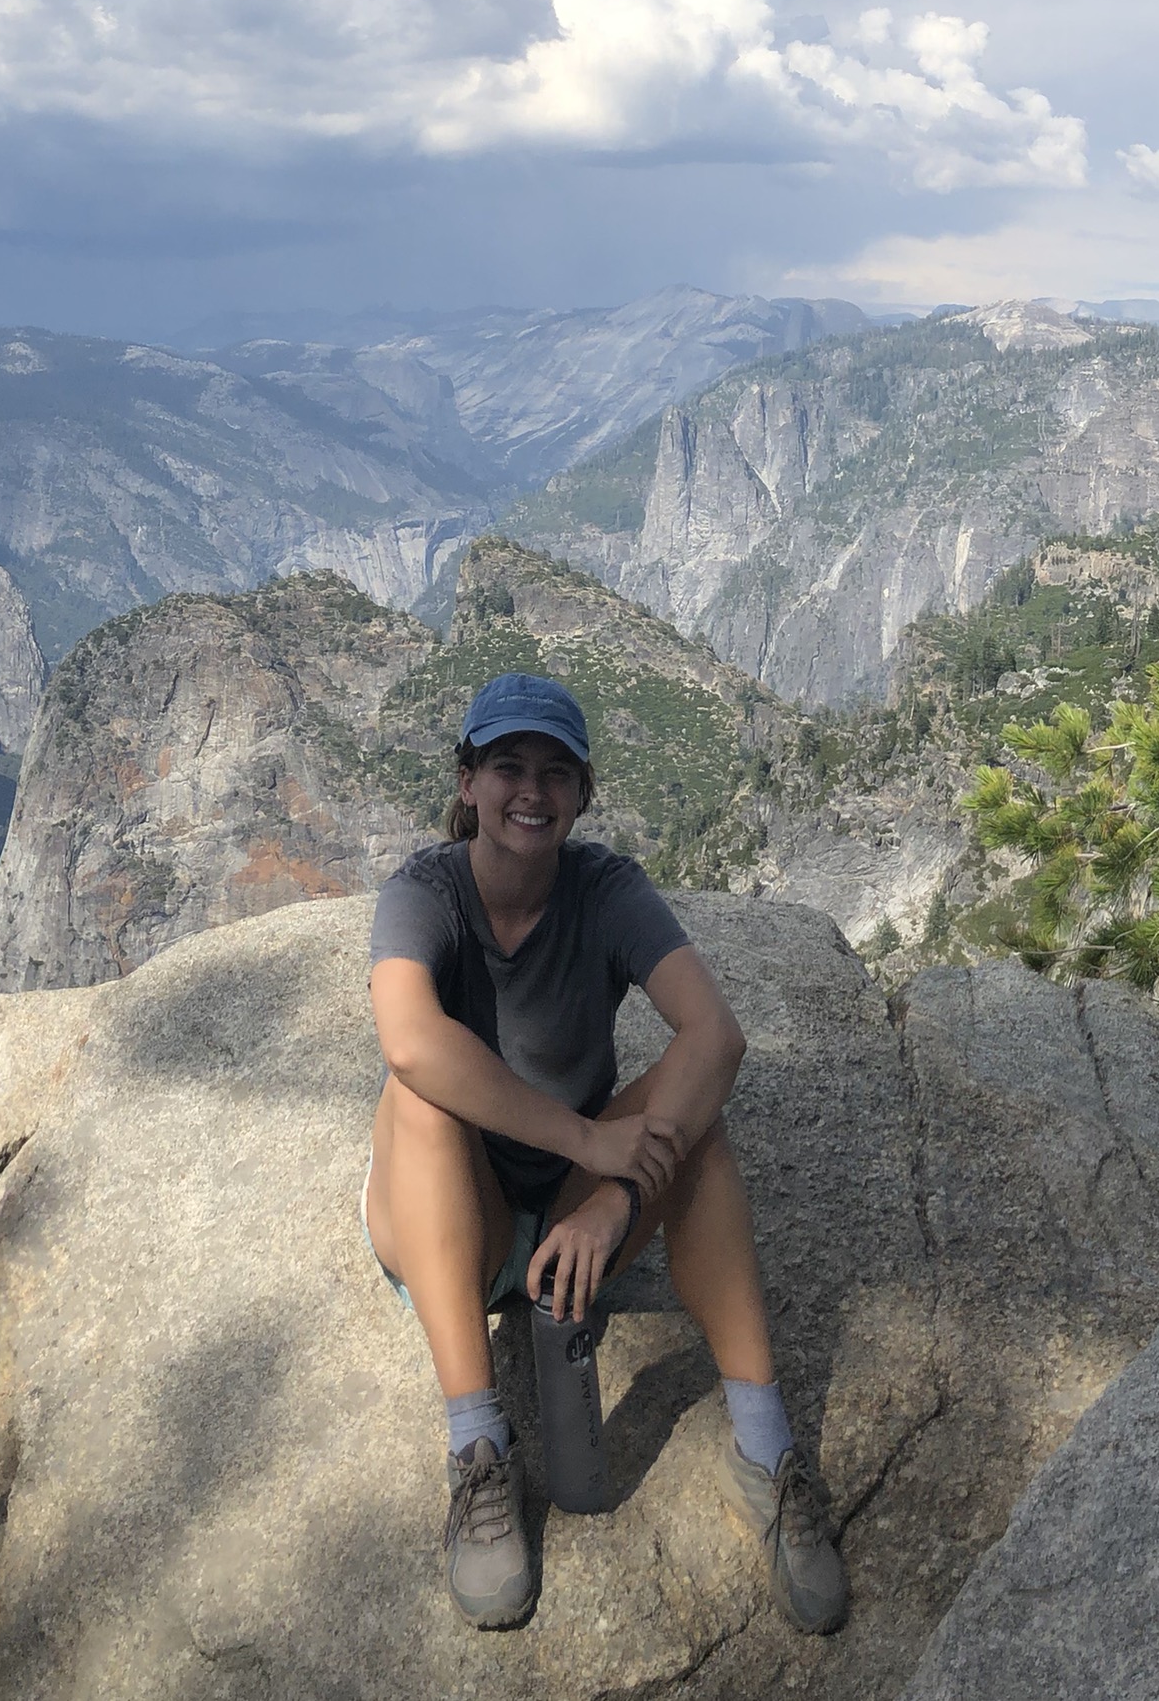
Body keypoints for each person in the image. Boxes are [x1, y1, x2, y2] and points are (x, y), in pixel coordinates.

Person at [364, 672, 845, 1636]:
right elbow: (410, 1038)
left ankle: (765, 1450)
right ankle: (478, 1450)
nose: (531, 792)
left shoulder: (608, 890)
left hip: (577, 1216)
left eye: (556, 773)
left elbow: (716, 1036)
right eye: (508, 767)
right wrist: (591, 1139)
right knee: (416, 1099)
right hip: (458, 1212)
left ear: (583, 795)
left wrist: (615, 1196)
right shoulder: (424, 893)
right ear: (467, 784)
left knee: (699, 1127)